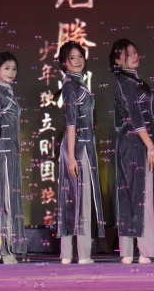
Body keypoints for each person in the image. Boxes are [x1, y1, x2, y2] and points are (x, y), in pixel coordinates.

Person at [111, 39, 154, 264]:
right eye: (128, 53)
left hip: (131, 141)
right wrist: (150, 146)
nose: (134, 55)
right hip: (137, 143)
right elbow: (135, 116)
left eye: (135, 51)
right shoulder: (127, 82)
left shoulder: (129, 81)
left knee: (130, 193)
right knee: (142, 195)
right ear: (117, 60)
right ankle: (142, 251)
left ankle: (128, 252)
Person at [56, 42, 104, 264]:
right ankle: (78, 254)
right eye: (72, 58)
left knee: (77, 199)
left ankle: (71, 254)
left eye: (80, 57)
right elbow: (71, 123)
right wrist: (72, 156)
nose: (77, 61)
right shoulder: (70, 86)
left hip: (82, 144)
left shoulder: (78, 84)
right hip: (77, 146)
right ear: (64, 63)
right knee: (76, 200)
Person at [0, 52, 27, 264]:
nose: (11, 72)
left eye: (14, 68)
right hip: (3, 155)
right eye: (6, 68)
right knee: (4, 202)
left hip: (13, 155)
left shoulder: (9, 93)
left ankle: (1, 250)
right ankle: (3, 250)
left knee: (9, 201)